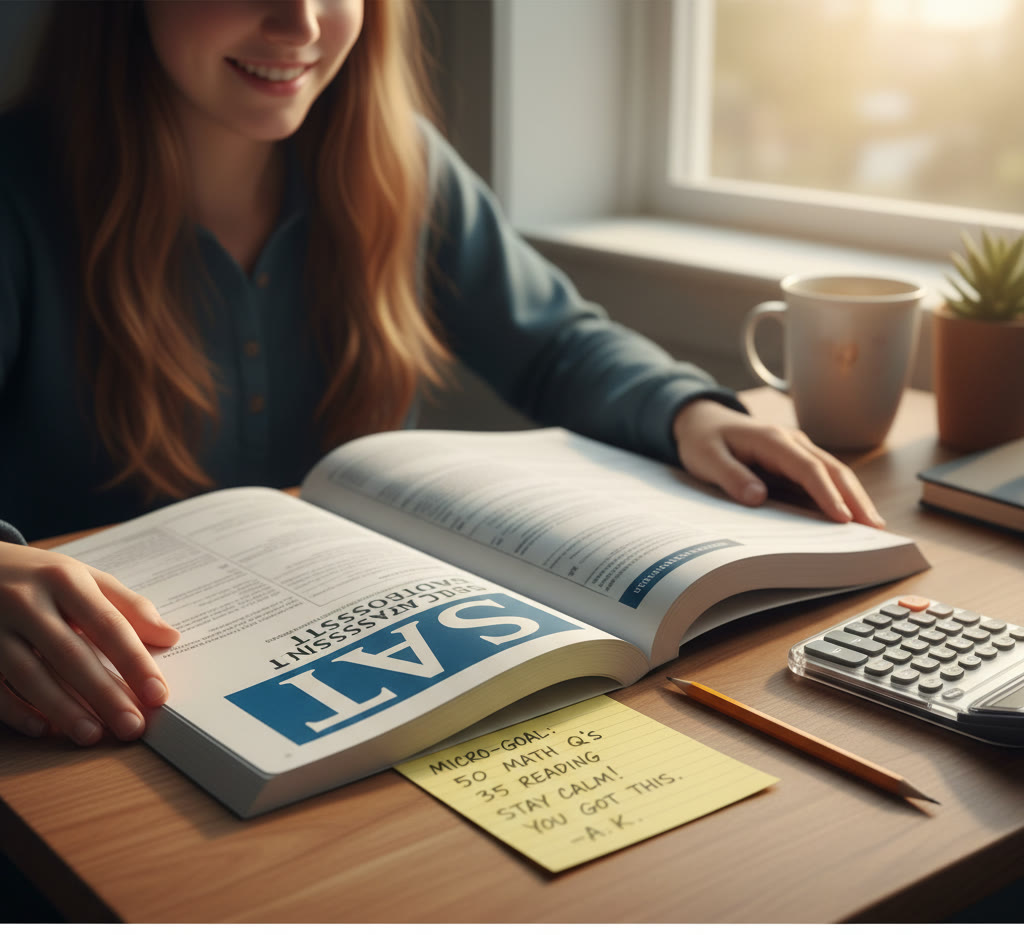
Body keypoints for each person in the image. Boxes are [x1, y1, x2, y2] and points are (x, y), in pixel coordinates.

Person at [0, 0, 882, 748]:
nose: (300, 22)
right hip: (101, 711)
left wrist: (688, 410)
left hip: (378, 695)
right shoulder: (18, 193)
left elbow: (555, 343)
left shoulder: (396, 163)